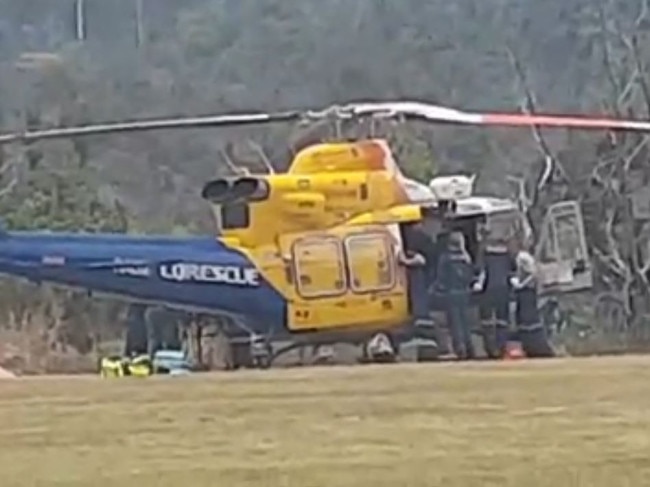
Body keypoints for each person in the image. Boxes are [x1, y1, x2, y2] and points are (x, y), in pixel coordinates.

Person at [436, 231, 475, 359]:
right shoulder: (466, 258)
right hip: (464, 293)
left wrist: (439, 290)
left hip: (451, 293)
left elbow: (441, 278)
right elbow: (470, 276)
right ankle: (470, 347)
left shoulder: (445, 258)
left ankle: (460, 347)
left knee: (455, 323)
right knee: (465, 322)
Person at [511, 248, 555, 358]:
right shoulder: (521, 276)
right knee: (523, 328)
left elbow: (521, 286)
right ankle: (528, 349)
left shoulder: (532, 276)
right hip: (522, 308)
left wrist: (516, 283)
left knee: (531, 327)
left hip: (529, 307)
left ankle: (540, 349)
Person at [476, 237, 516, 358]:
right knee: (502, 321)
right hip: (503, 289)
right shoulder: (508, 254)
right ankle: (501, 347)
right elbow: (512, 272)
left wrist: (478, 284)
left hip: (488, 289)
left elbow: (482, 271)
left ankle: (490, 348)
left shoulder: (484, 254)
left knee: (487, 321)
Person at [398, 221, 436, 328]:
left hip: (419, 272)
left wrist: (404, 261)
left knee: (418, 292)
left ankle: (421, 316)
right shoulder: (424, 238)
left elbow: (421, 260)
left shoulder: (414, 238)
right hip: (424, 272)